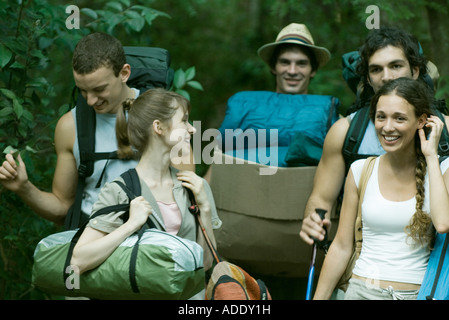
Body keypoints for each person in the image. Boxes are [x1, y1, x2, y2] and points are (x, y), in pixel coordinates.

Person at [0, 32, 193, 226]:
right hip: (94, 239)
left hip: (154, 238)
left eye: (99, 89)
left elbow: (188, 198)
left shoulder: (166, 117)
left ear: (124, 73)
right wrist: (24, 188)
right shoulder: (70, 126)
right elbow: (62, 208)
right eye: (83, 90)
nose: (91, 100)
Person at [300, 27, 449, 247]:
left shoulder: (445, 130)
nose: (386, 76)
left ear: (415, 71)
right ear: (368, 78)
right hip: (364, 259)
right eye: (376, 69)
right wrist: (313, 219)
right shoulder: (346, 133)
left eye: (396, 66)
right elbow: (321, 199)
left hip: (435, 263)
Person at [70, 88, 221, 298]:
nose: (192, 129)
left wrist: (204, 208)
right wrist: (131, 224)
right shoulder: (120, 190)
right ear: (159, 127)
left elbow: (204, 264)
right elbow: (78, 261)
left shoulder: (195, 187)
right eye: (184, 121)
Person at [313, 77, 449, 300]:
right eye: (381, 117)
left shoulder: (442, 168)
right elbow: (341, 246)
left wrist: (431, 156)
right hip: (359, 291)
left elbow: (443, 223)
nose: (387, 127)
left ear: (421, 121)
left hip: (417, 294)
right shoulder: (360, 170)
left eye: (399, 118)